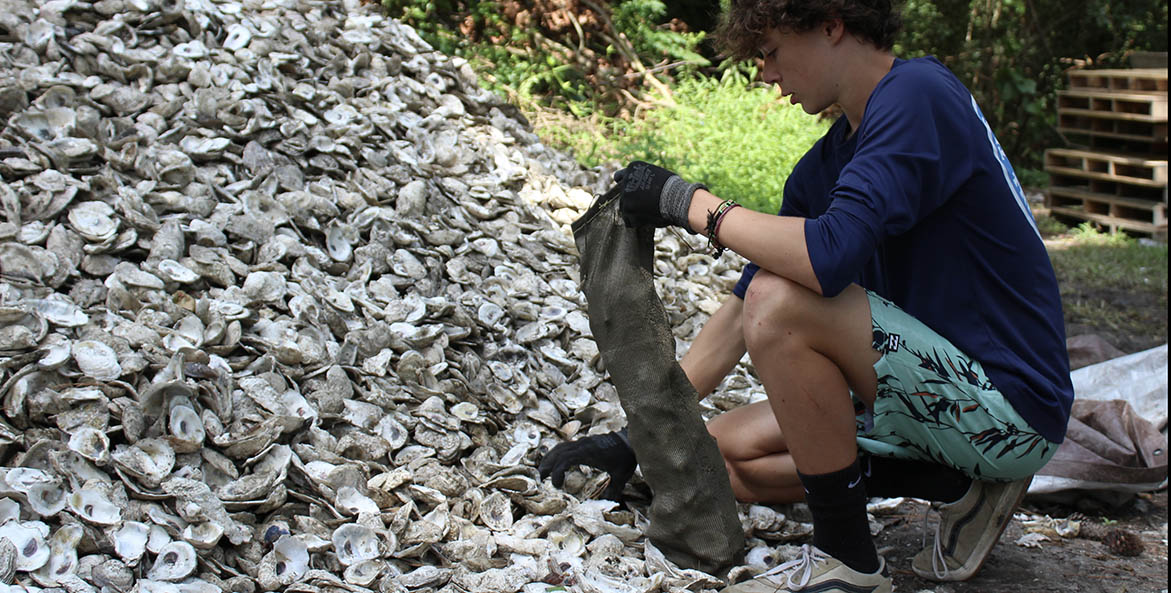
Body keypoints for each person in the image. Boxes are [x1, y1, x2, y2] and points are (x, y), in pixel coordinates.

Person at [539, 0, 1075, 591]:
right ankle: (955, 484)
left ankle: (848, 559)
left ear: (831, 24)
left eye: (771, 52)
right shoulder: (828, 163)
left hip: (1009, 405)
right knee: (714, 458)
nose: (767, 74)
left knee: (782, 300)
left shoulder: (919, 94)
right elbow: (741, 312)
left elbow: (825, 259)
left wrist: (689, 204)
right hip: (925, 397)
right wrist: (636, 440)